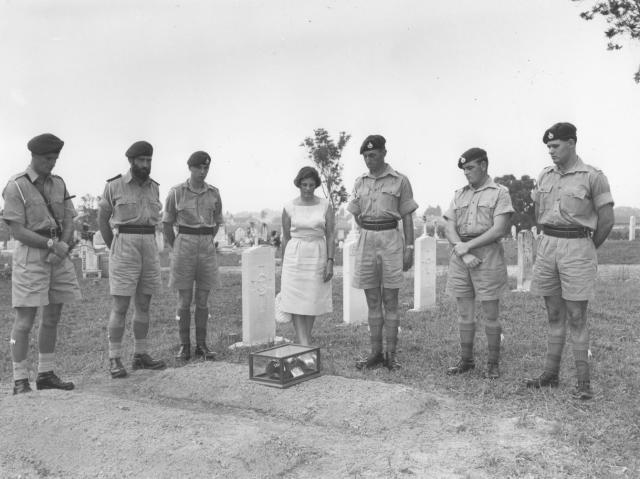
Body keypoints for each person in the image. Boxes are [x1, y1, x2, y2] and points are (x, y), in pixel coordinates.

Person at [525, 122, 614, 400]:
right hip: (548, 245)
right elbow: (539, 212)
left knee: (576, 316)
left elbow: (607, 220)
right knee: (553, 314)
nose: (550, 151)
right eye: (548, 147)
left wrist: (586, 248)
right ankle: (550, 374)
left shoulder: (592, 176)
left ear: (572, 143)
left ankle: (583, 383)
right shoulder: (545, 175)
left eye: (555, 146)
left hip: (577, 245)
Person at [2, 133, 81, 394]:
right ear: (34, 156)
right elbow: (18, 231)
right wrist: (51, 246)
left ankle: (46, 373)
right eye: (48, 158)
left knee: (53, 317)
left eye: (55, 158)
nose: (52, 163)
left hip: (58, 254)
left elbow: (69, 219)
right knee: (24, 319)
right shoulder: (16, 186)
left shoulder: (59, 183)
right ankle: (19, 379)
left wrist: (63, 246)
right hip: (32, 255)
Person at [347, 135, 418, 371]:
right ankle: (375, 353)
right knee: (373, 300)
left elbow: (407, 215)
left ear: (384, 153)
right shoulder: (359, 182)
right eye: (365, 156)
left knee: (391, 299)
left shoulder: (400, 181)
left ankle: (391, 355)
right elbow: (356, 212)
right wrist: (367, 226)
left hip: (390, 240)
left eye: (373, 155)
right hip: (367, 239)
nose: (369, 160)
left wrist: (409, 247)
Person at [97, 140, 166, 378]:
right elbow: (102, 219)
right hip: (124, 244)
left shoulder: (154, 188)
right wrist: (114, 247)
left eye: (149, 161)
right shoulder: (114, 186)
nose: (146, 165)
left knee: (144, 304)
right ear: (131, 161)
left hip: (148, 244)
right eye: (141, 160)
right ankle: (114, 358)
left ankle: (140, 354)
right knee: (121, 305)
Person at [443, 148, 514, 379]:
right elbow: (449, 226)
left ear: (484, 165)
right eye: (464, 169)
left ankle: (493, 363)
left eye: (470, 167)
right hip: (461, 255)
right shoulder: (459, 194)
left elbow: (499, 229)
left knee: (490, 313)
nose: (466, 172)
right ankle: (466, 360)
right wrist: (462, 251)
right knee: (465, 313)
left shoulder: (499, 193)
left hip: (487, 255)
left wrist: (469, 247)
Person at [162, 151, 222, 361]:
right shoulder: (177, 193)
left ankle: (202, 345)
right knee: (184, 299)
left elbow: (217, 221)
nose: (203, 172)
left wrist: (205, 238)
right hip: (184, 245)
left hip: (206, 246)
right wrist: (177, 245)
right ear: (190, 168)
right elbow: (167, 224)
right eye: (199, 168)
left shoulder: (214, 193)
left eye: (206, 168)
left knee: (203, 299)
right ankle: (184, 345)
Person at [280, 166, 334, 345]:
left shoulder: (325, 205)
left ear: (316, 185)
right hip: (295, 255)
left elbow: (331, 234)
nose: (308, 189)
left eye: (312, 185)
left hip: (317, 253)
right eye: (304, 185)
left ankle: (304, 341)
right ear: (298, 185)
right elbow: (286, 237)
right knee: (295, 299)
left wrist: (330, 262)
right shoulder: (289, 207)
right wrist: (283, 265)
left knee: (311, 298)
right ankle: (304, 343)